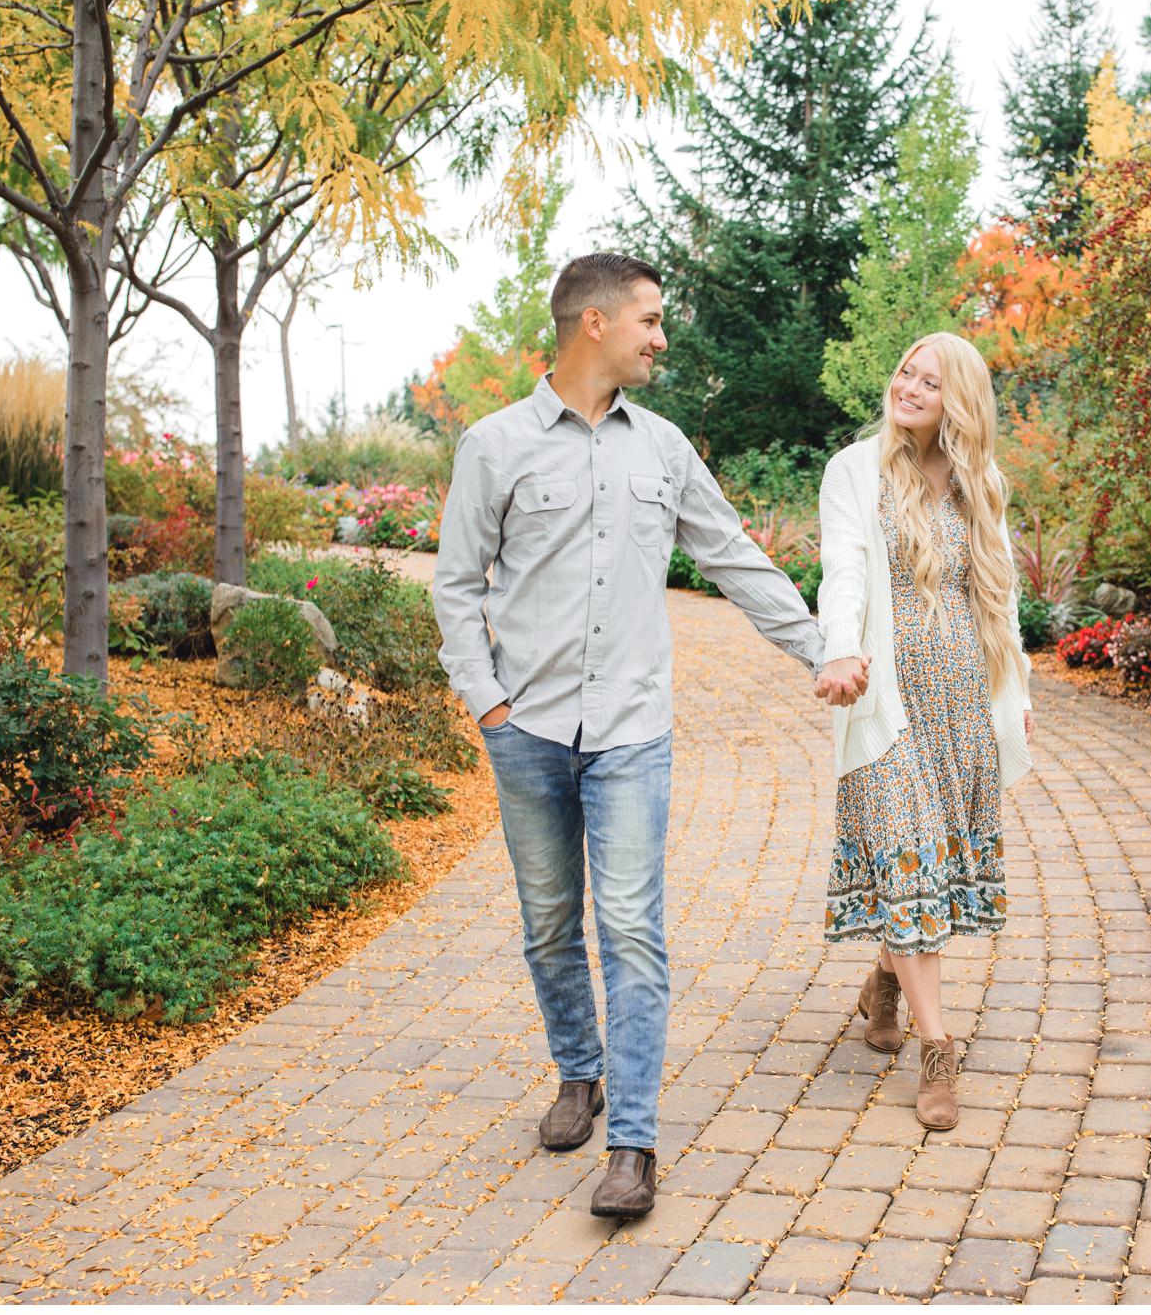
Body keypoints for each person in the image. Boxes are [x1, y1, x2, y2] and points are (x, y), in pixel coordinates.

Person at [430, 252, 867, 1218]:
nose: (661, 337)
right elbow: (457, 587)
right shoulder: (494, 446)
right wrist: (489, 705)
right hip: (529, 730)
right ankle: (575, 1074)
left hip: (632, 731)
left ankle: (632, 1142)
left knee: (630, 930)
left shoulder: (663, 447)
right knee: (549, 925)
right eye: (650, 320)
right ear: (594, 324)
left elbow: (733, 556)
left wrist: (817, 650)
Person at [813, 331, 1035, 1130]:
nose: (908, 386)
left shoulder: (982, 482)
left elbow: (999, 596)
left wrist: (1019, 692)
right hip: (889, 699)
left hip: (964, 702)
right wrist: (840, 649)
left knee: (931, 867)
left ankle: (884, 983)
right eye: (906, 370)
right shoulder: (856, 470)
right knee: (909, 857)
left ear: (959, 401)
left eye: (930, 381)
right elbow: (844, 569)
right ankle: (938, 1048)